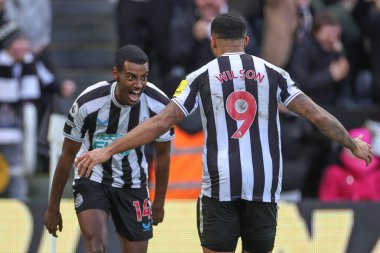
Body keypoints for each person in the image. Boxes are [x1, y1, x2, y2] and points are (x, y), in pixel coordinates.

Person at [75, 13, 373, 253]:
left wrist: (108, 149)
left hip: (220, 188)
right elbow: (317, 115)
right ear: (245, 40)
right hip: (263, 187)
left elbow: (160, 123)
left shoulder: (199, 77)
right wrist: (351, 143)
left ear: (213, 43)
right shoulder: (275, 74)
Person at [44, 45, 174, 253]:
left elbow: (163, 154)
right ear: (116, 74)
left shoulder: (160, 106)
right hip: (92, 178)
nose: (138, 85)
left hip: (133, 183)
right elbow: (67, 155)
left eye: (144, 78)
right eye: (131, 77)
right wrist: (53, 207)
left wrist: (158, 202)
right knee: (97, 247)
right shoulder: (88, 103)